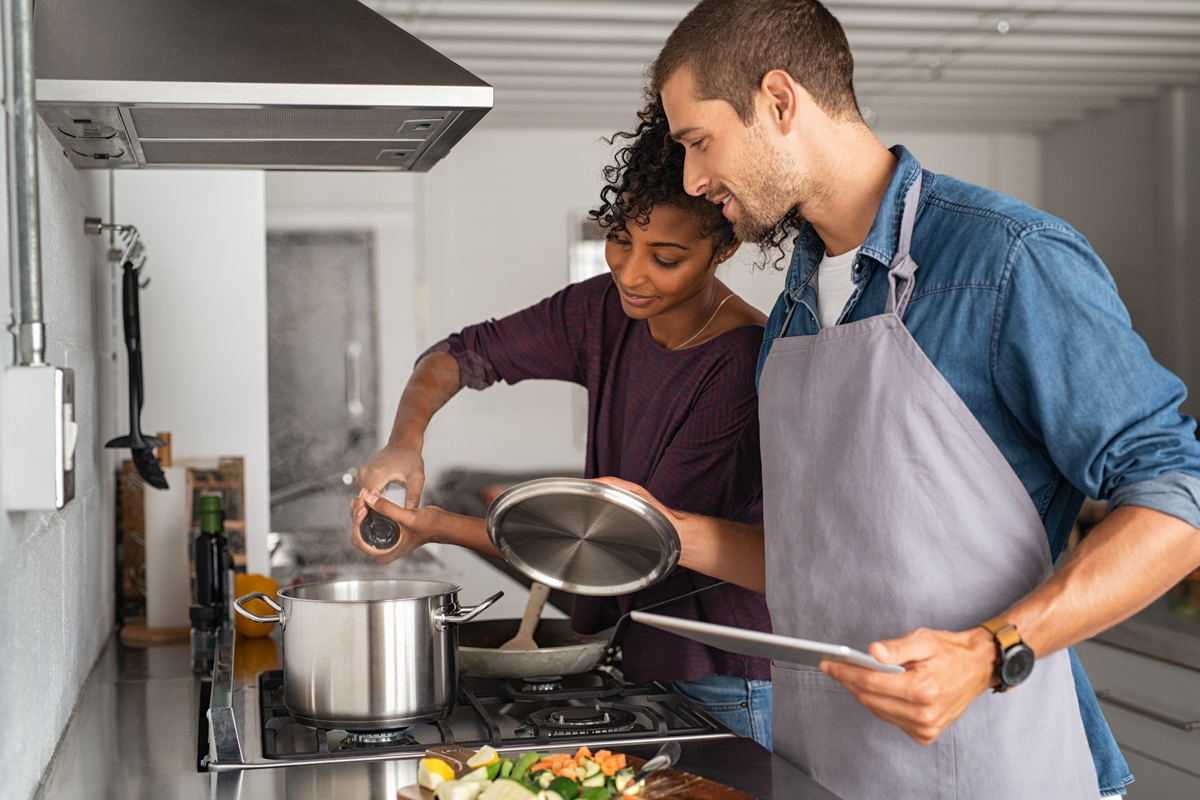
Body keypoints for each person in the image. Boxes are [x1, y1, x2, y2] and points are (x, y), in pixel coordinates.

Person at [594, 1, 1200, 798]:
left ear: (780, 101)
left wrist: (989, 652)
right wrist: (665, 531)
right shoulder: (796, 306)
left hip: (994, 766)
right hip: (831, 765)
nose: (693, 180)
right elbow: (827, 565)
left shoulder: (1006, 259)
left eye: (698, 142)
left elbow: (1178, 498)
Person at [350, 108, 776, 748]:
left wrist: (438, 525)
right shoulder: (605, 307)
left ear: (725, 248)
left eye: (665, 257)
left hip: (726, 676)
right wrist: (404, 441)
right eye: (620, 240)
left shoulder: (738, 362)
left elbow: (629, 550)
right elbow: (459, 356)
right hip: (645, 653)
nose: (631, 273)